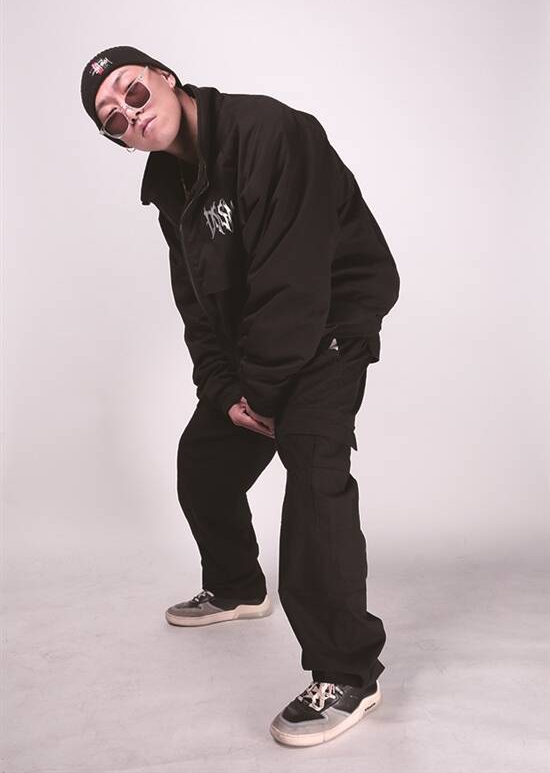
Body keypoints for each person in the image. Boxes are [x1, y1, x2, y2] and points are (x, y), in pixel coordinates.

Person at [80, 45, 400, 747]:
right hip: (263, 352)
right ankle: (237, 586)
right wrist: (226, 390)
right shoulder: (171, 186)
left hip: (331, 326)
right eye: (113, 121)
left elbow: (295, 281)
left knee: (313, 483)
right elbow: (197, 302)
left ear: (165, 77)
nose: (130, 115)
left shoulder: (271, 133)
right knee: (203, 464)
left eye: (133, 93)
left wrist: (266, 391)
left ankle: (348, 672)